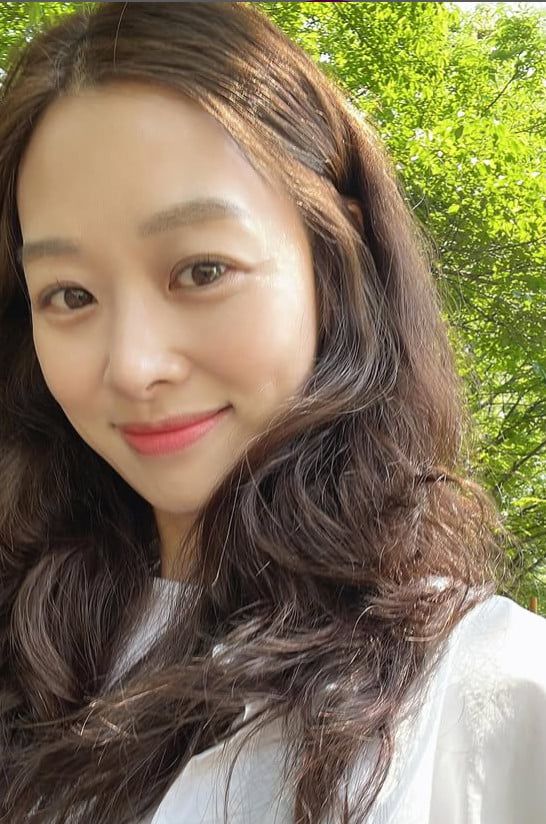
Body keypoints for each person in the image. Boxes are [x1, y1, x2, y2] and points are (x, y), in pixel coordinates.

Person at [0, 3, 544, 822]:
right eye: (70, 295)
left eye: (202, 270)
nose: (134, 366)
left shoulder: (489, 700)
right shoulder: (31, 645)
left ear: (334, 259)